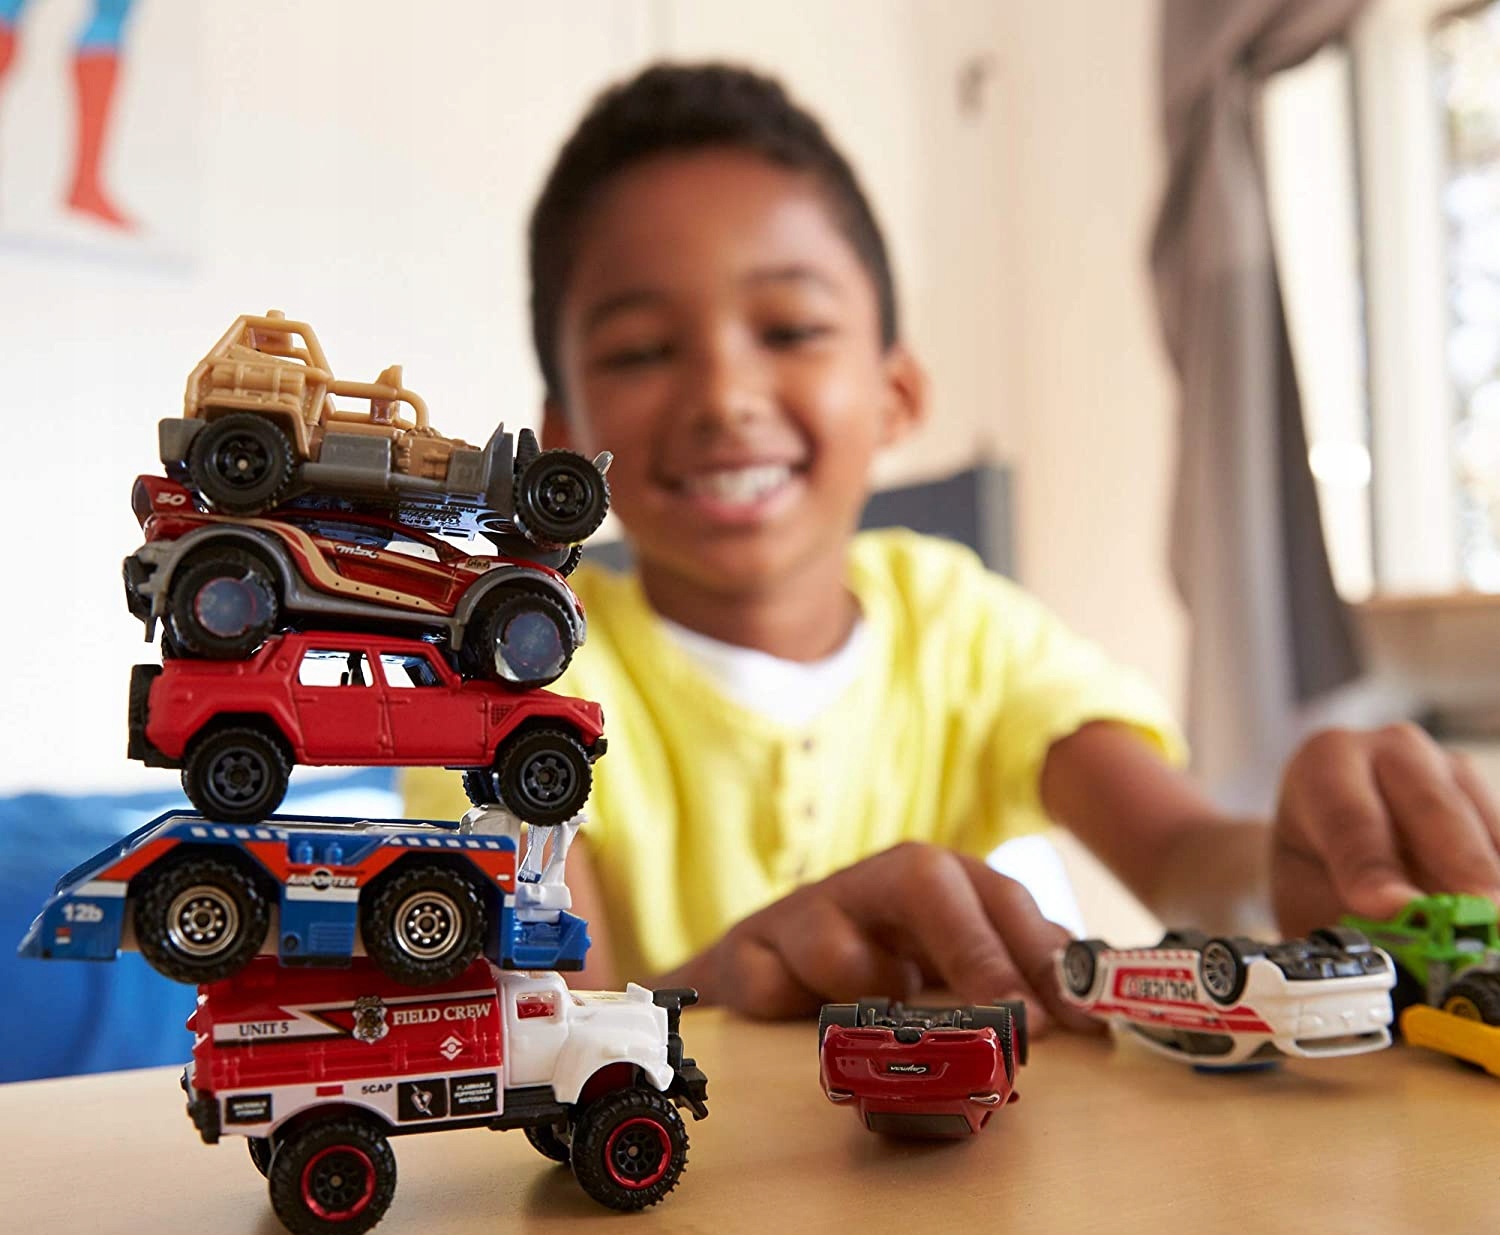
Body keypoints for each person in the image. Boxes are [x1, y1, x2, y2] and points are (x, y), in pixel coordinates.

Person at [407, 62, 1500, 1028]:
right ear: (562, 443)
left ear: (897, 393)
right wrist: (727, 986)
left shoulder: (963, 625)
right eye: (644, 350)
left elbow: (1182, 858)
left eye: (790, 330)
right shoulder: (506, 675)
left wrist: (1285, 870)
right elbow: (538, 1034)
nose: (725, 396)